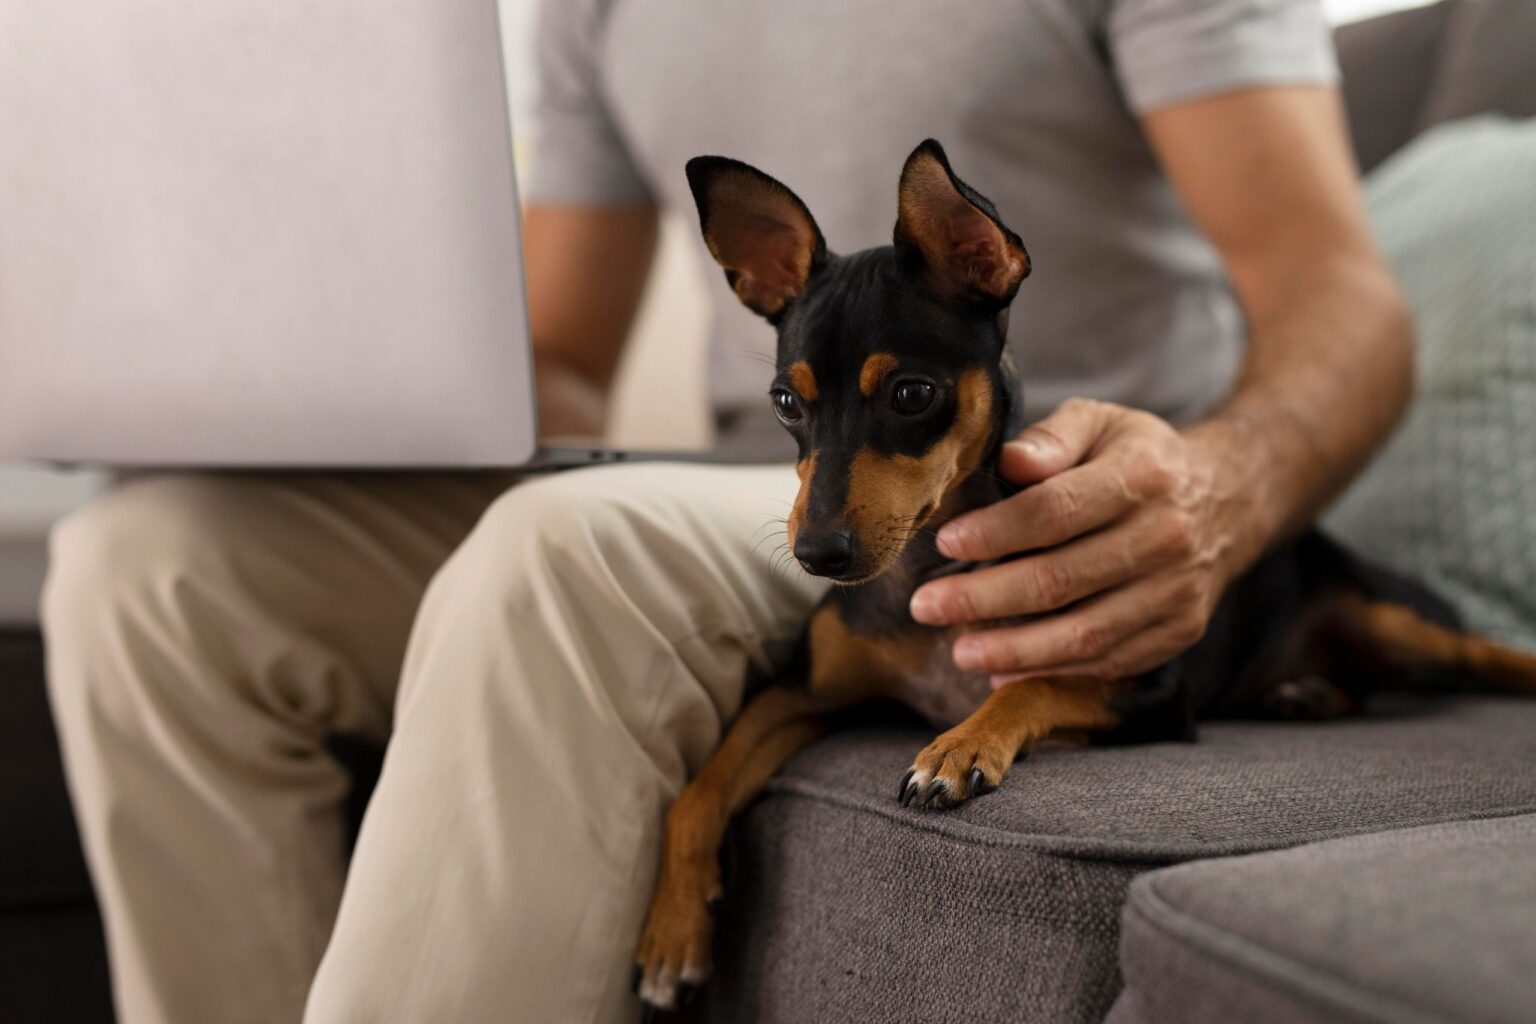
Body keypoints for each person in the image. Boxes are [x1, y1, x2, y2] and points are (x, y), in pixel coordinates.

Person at [42, 0, 1415, 1021]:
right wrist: (313, 366)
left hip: (1037, 489)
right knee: (145, 563)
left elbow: (1343, 301)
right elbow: (564, 361)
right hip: (752, 469)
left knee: (554, 554)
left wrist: (1215, 492)